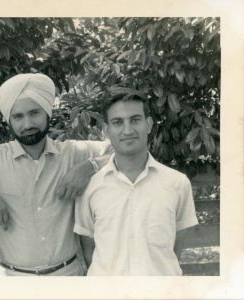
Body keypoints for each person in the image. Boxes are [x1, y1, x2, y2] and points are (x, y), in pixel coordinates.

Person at [0, 73, 113, 276]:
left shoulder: (73, 153)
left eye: (34, 113)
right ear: (9, 120)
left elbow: (122, 151)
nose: (28, 124)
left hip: (68, 277)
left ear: (47, 112)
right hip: (13, 280)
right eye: (18, 117)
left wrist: (88, 167)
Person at [74, 95, 198, 275]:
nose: (127, 130)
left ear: (148, 124)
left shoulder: (177, 183)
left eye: (135, 120)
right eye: (117, 122)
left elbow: (177, 244)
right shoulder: (90, 187)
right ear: (107, 130)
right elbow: (88, 246)